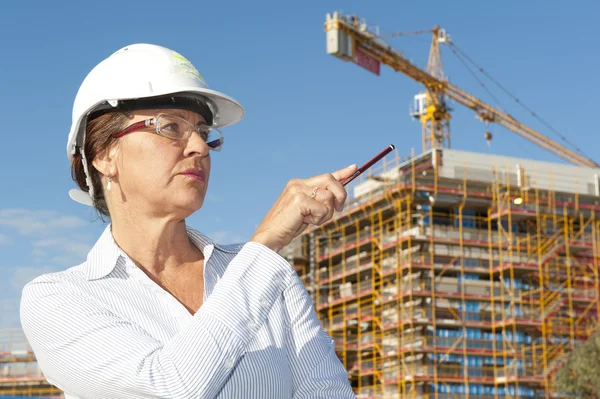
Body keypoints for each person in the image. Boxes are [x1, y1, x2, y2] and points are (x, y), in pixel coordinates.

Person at [20, 43, 358, 399]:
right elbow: (168, 387)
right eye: (170, 127)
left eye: (203, 131)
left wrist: (260, 256)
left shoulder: (272, 279)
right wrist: (266, 243)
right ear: (105, 155)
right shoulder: (59, 299)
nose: (199, 146)